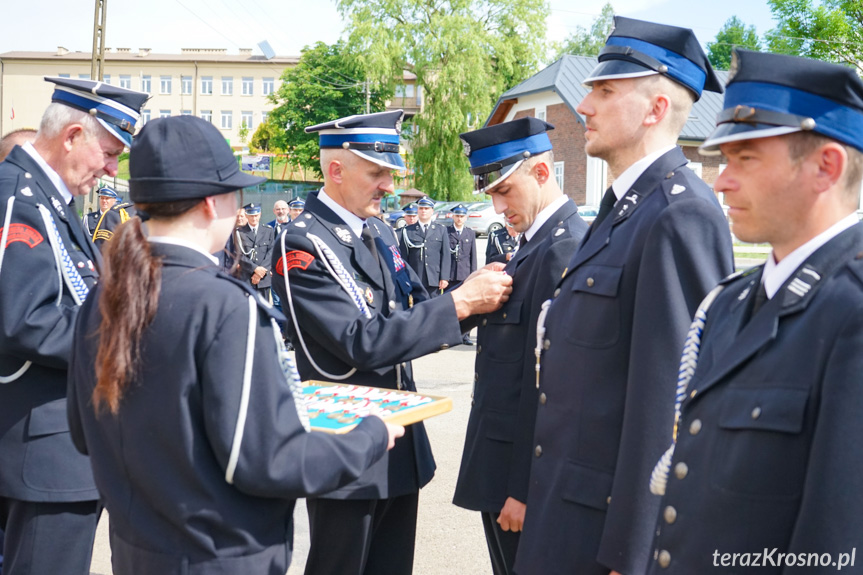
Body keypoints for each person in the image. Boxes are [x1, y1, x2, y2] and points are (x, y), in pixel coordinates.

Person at [66, 115, 400, 574]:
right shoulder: (225, 306)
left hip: (138, 553)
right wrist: (369, 436)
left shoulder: (103, 298)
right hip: (221, 556)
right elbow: (270, 461)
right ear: (212, 203)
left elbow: (85, 433)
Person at [516, 18, 735, 575]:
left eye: (605, 91)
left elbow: (673, 399)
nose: (584, 105)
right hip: (565, 509)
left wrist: (637, 550)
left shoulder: (679, 213)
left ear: (655, 109)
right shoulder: (625, 208)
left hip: (606, 536)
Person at [645, 49, 863, 574]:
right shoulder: (731, 301)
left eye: (745, 158)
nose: (721, 181)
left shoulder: (852, 313)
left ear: (825, 167)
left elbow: (835, 546)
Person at [271, 109, 512, 575]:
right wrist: (461, 304)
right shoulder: (304, 242)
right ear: (336, 170)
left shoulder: (379, 231)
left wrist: (477, 300)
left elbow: (417, 306)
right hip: (346, 445)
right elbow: (360, 341)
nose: (388, 185)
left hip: (399, 442)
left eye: (390, 173)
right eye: (377, 172)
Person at [0, 76, 147, 575]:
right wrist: (125, 341)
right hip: (43, 450)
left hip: (63, 444)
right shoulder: (19, 199)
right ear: (71, 137)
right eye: (108, 153)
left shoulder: (49, 199)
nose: (110, 169)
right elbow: (25, 321)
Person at [453, 117, 588, 575]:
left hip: (522, 480)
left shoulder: (563, 250)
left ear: (542, 174)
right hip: (503, 466)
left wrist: (527, 487)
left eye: (505, 191)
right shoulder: (536, 244)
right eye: (491, 194)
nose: (497, 207)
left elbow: (552, 387)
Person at [446, 203, 478, 345]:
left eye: (462, 216)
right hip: (450, 275)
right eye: (457, 216)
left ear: (466, 218)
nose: (459, 219)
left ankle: (465, 335)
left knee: (467, 305)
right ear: (453, 216)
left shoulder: (470, 233)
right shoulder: (446, 232)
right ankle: (450, 335)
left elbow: (473, 257)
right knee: (450, 305)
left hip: (465, 274)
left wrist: (473, 276)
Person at [235, 202, 276, 296]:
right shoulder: (239, 232)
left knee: (264, 308)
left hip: (263, 279)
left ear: (260, 214)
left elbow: (271, 252)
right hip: (246, 278)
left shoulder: (268, 230)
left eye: (256, 215)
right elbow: (238, 254)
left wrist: (260, 273)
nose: (254, 218)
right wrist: (255, 269)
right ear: (246, 215)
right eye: (251, 216)